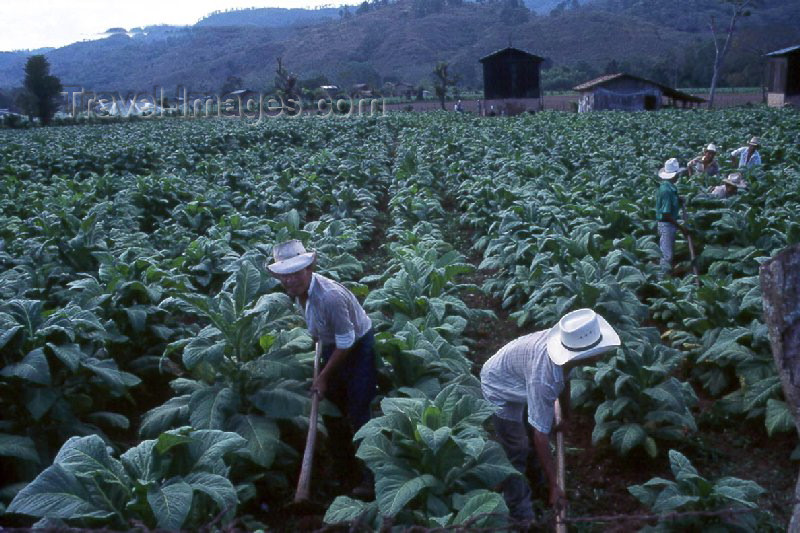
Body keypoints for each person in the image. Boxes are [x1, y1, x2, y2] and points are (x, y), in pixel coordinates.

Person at [480, 309, 622, 522]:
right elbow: (541, 436)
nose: (602, 354)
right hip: (499, 386)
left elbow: (564, 382)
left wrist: (566, 416)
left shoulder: (567, 350)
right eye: (598, 350)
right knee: (516, 450)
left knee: (531, 434)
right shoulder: (545, 377)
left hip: (520, 378)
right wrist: (556, 486)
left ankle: (537, 479)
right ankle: (521, 514)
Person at [268, 239, 376, 498]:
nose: (290, 280)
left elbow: (347, 341)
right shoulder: (299, 294)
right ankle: (344, 472)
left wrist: (324, 376)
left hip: (358, 346)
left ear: (310, 267)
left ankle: (371, 479)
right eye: (285, 275)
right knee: (331, 411)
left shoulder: (329, 297)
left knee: (359, 411)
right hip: (332, 344)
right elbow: (323, 332)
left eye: (295, 272)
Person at [655, 157, 688, 278]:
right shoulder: (666, 191)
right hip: (666, 224)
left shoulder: (669, 187)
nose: (679, 176)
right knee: (666, 255)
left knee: (668, 251)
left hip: (669, 223)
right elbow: (666, 215)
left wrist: (678, 199)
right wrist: (681, 228)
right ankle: (662, 279)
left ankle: (666, 275)